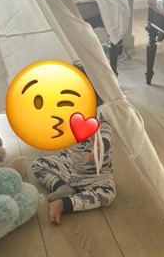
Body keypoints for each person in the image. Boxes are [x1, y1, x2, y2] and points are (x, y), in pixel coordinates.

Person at [31, 89, 115, 224]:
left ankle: (64, 203)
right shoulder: (66, 119)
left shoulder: (102, 123)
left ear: (99, 103)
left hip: (95, 176)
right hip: (68, 167)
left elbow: (107, 136)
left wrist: (101, 145)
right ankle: (61, 187)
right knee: (37, 164)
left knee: (108, 193)